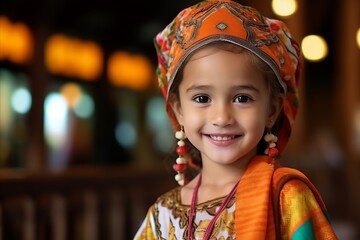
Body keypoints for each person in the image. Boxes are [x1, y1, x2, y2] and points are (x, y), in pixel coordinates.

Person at [134, 0, 338, 239]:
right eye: (201, 98)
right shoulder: (161, 214)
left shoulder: (286, 198)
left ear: (272, 109)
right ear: (178, 109)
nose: (222, 117)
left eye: (242, 98)